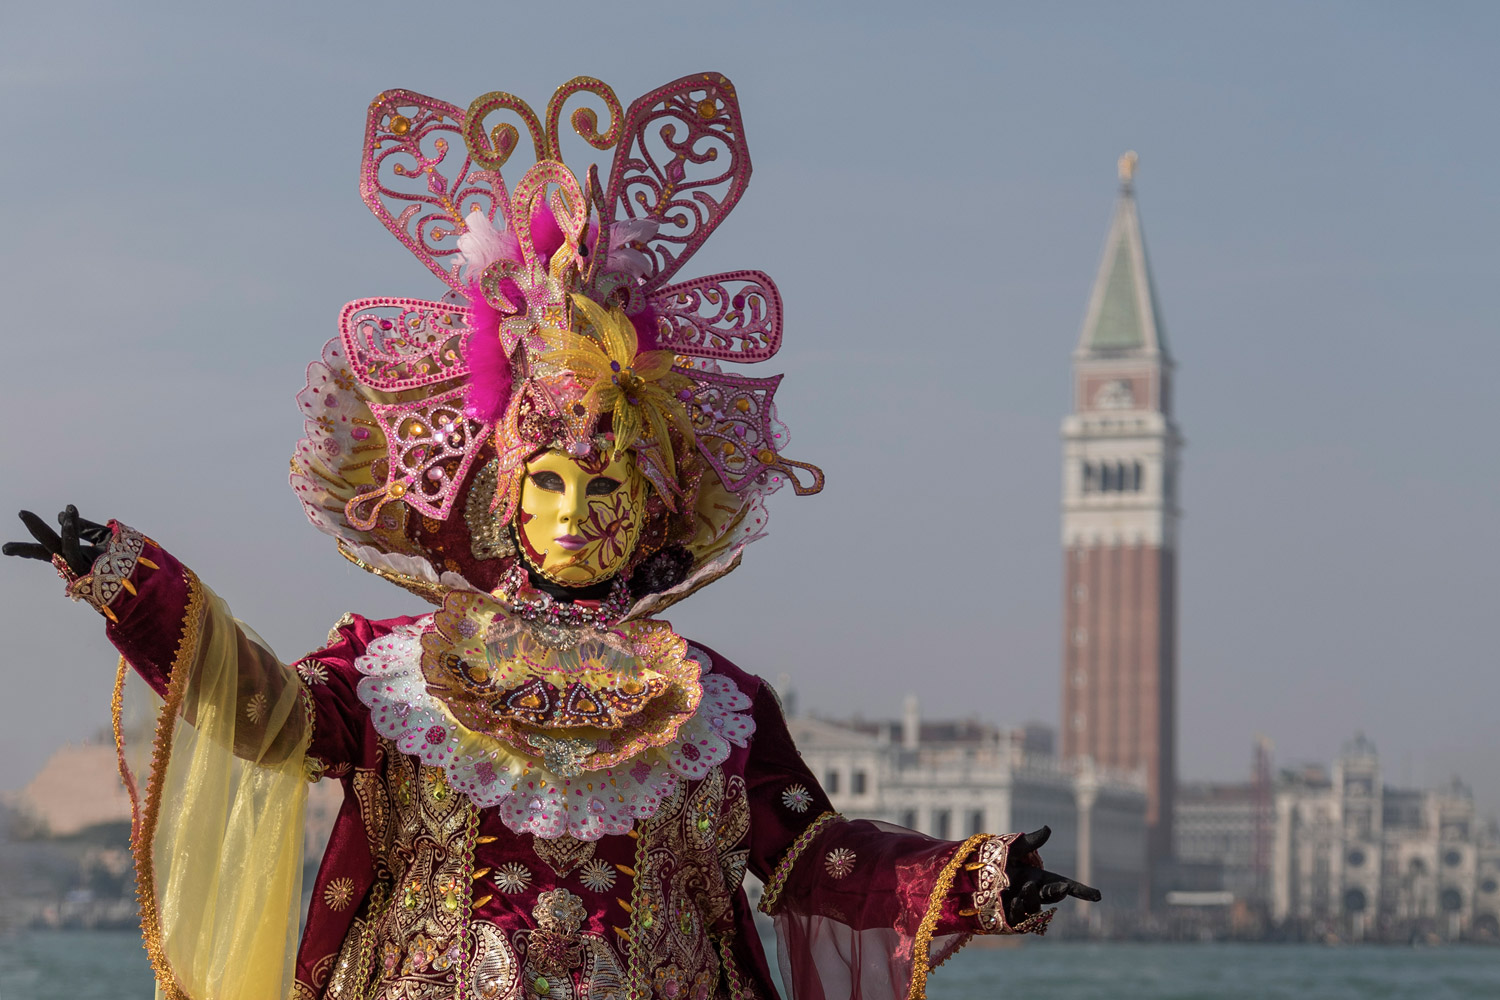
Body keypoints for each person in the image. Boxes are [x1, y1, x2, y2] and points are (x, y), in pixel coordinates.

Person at [4, 74, 1098, 1000]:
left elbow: (813, 859)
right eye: (554, 482)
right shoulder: (392, 673)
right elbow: (266, 714)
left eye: (608, 484)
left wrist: (975, 876)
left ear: (655, 506)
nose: (578, 515)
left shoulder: (718, 706)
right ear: (502, 495)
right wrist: (130, 582)